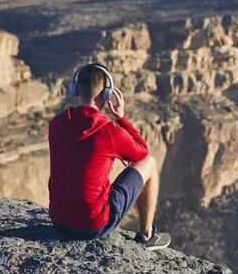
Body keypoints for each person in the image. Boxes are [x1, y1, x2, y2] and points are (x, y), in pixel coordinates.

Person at [48, 63, 171, 250]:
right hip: (92, 226)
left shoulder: (56, 124)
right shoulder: (108, 131)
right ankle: (147, 236)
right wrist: (121, 118)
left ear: (75, 89)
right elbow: (142, 152)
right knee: (149, 162)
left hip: (58, 222)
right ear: (106, 95)